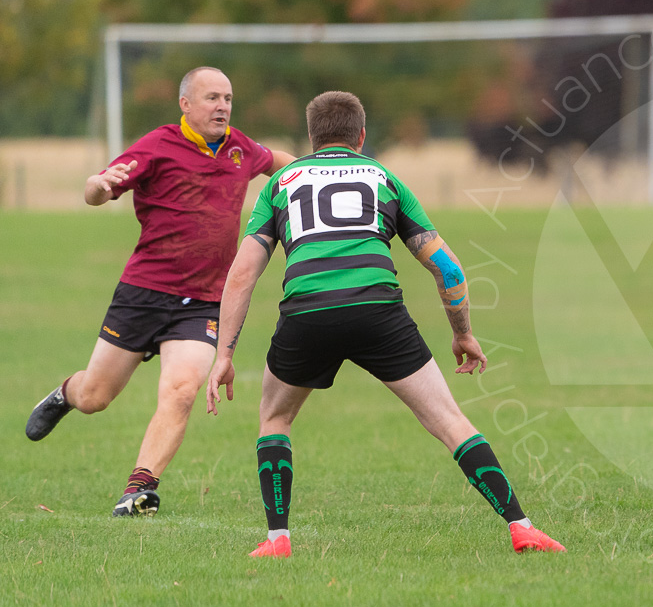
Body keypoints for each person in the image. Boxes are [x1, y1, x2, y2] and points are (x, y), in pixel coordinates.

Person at [205, 91, 564, 557]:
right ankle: (521, 526)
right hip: (379, 311)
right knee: (449, 420)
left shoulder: (281, 183)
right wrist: (462, 333)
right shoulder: (384, 178)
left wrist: (225, 354)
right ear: (362, 135)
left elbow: (242, 274)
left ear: (312, 137)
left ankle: (278, 540)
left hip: (307, 312)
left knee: (275, 417)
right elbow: (450, 270)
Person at [26, 67, 295, 517]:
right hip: (144, 292)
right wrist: (98, 186)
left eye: (228, 98)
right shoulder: (157, 145)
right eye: (212, 98)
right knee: (96, 397)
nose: (223, 107)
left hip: (205, 299)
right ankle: (64, 394)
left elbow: (277, 161)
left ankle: (139, 489)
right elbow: (97, 189)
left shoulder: (240, 148)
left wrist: (316, 169)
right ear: (185, 104)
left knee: (182, 390)